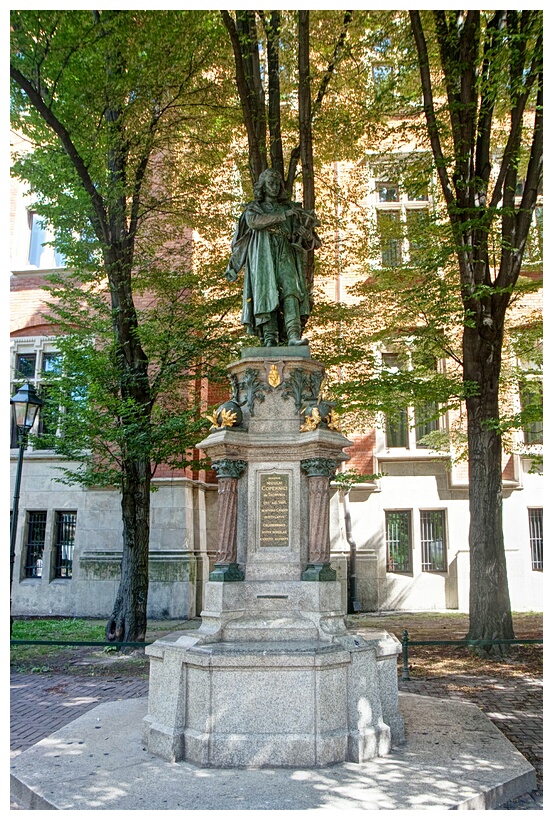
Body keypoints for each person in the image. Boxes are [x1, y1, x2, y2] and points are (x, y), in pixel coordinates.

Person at [225, 168, 321, 347]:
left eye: (277, 183)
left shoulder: (290, 209)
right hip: (263, 255)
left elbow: (312, 242)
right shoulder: (254, 209)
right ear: (263, 186)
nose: (275, 187)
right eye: (270, 183)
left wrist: (304, 233)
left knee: (291, 290)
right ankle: (270, 337)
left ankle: (293, 335)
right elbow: (254, 223)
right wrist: (234, 267)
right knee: (266, 293)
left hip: (285, 252)